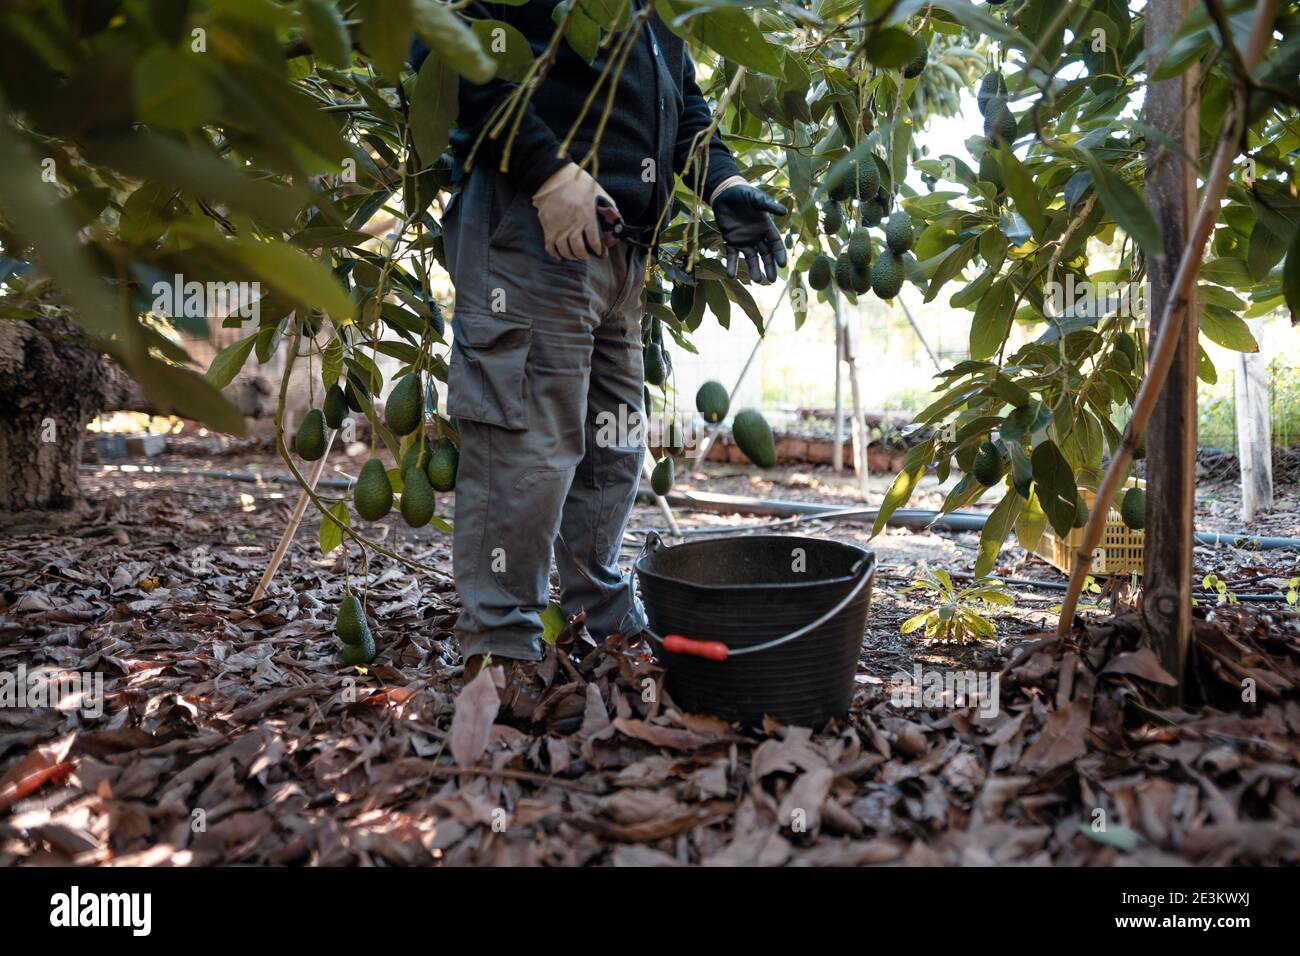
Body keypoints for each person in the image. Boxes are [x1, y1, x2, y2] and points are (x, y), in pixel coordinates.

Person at [420, 1, 786, 723]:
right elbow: (456, 49)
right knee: (527, 443)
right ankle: (501, 655)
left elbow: (686, 110)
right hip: (532, 226)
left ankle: (598, 625)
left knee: (611, 448)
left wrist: (724, 185)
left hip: (619, 251)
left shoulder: (657, 14)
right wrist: (547, 172)